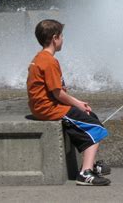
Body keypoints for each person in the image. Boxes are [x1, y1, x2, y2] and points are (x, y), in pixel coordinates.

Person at [27, 20, 111, 186]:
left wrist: (77, 104)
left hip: (44, 106)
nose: (63, 39)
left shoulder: (40, 57)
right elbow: (57, 93)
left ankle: (90, 163)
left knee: (89, 116)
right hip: (48, 108)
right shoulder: (49, 61)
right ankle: (85, 173)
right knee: (96, 129)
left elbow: (56, 91)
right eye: (62, 36)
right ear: (55, 38)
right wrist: (78, 103)